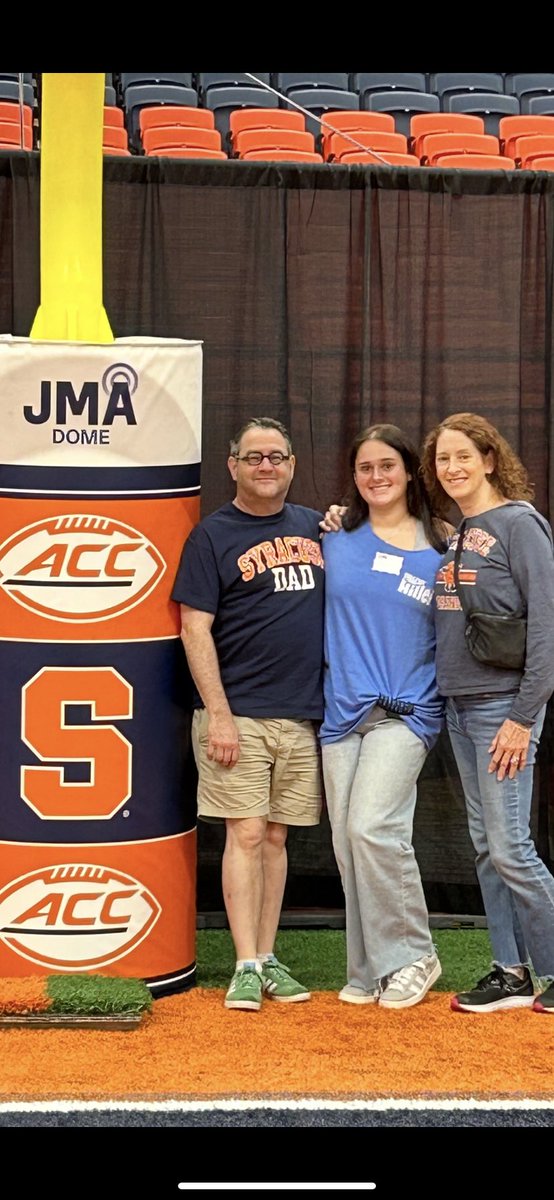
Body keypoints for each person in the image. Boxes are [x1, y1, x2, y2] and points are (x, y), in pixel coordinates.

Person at [172, 417, 325, 1012]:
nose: (267, 466)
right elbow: (194, 628)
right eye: (254, 457)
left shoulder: (316, 526)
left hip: (301, 714)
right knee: (247, 832)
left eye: (277, 457)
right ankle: (243, 964)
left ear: (292, 465)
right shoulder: (212, 536)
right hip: (237, 714)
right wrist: (219, 714)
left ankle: (266, 956)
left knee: (277, 836)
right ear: (232, 465)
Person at [421, 412, 554, 1014]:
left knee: (511, 850)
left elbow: (546, 626)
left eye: (463, 456)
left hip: (503, 708)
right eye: (442, 459)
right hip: (460, 706)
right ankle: (511, 972)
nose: (452, 467)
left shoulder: (519, 524)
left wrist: (522, 717)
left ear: (490, 460)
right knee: (487, 847)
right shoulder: (461, 532)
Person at [320, 424, 449, 1009]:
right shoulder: (333, 536)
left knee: (373, 828)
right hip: (343, 711)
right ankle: (370, 967)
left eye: (387, 466)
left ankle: (414, 955)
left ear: (409, 471)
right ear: (354, 476)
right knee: (347, 844)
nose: (377, 477)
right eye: (365, 467)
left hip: (408, 711)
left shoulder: (443, 545)